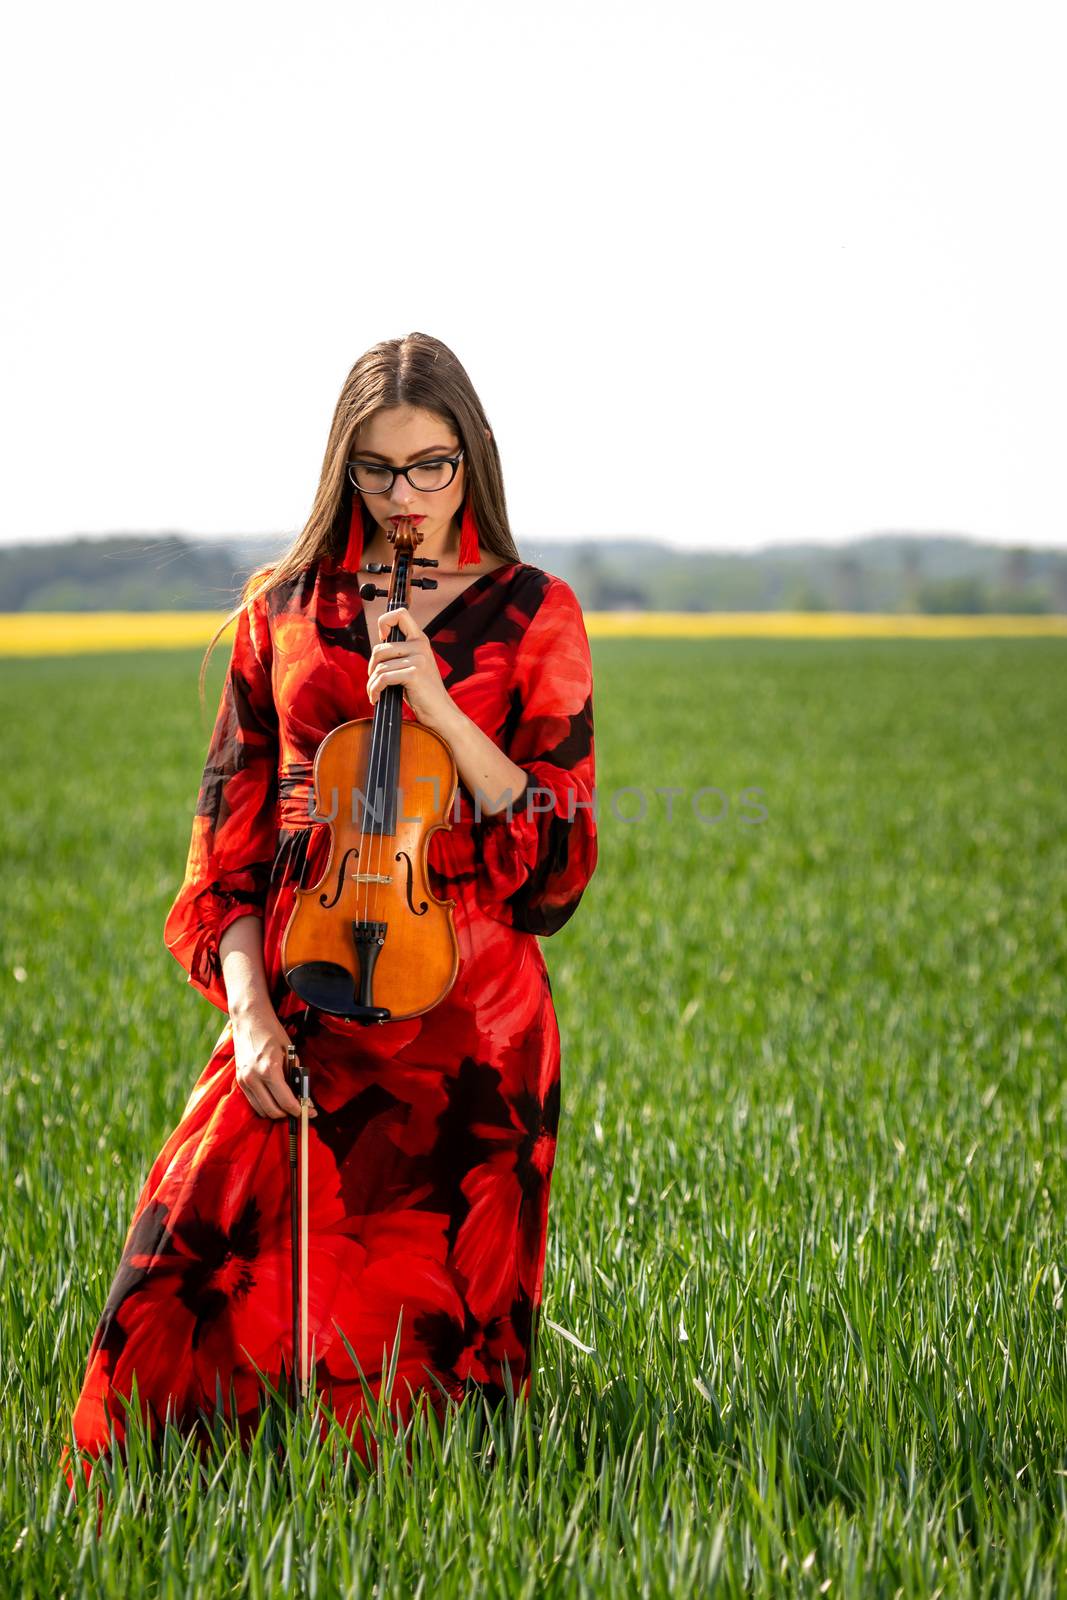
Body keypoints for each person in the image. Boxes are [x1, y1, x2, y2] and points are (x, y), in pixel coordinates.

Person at [65, 331, 598, 1472]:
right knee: (170, 1284)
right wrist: (247, 1015)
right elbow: (229, 847)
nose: (404, 498)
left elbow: (558, 861)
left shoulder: (534, 611)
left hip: (469, 1035)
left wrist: (448, 715)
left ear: (474, 458)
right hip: (307, 993)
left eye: (431, 466)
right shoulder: (286, 612)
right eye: (376, 469)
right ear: (341, 465)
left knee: (426, 1391)